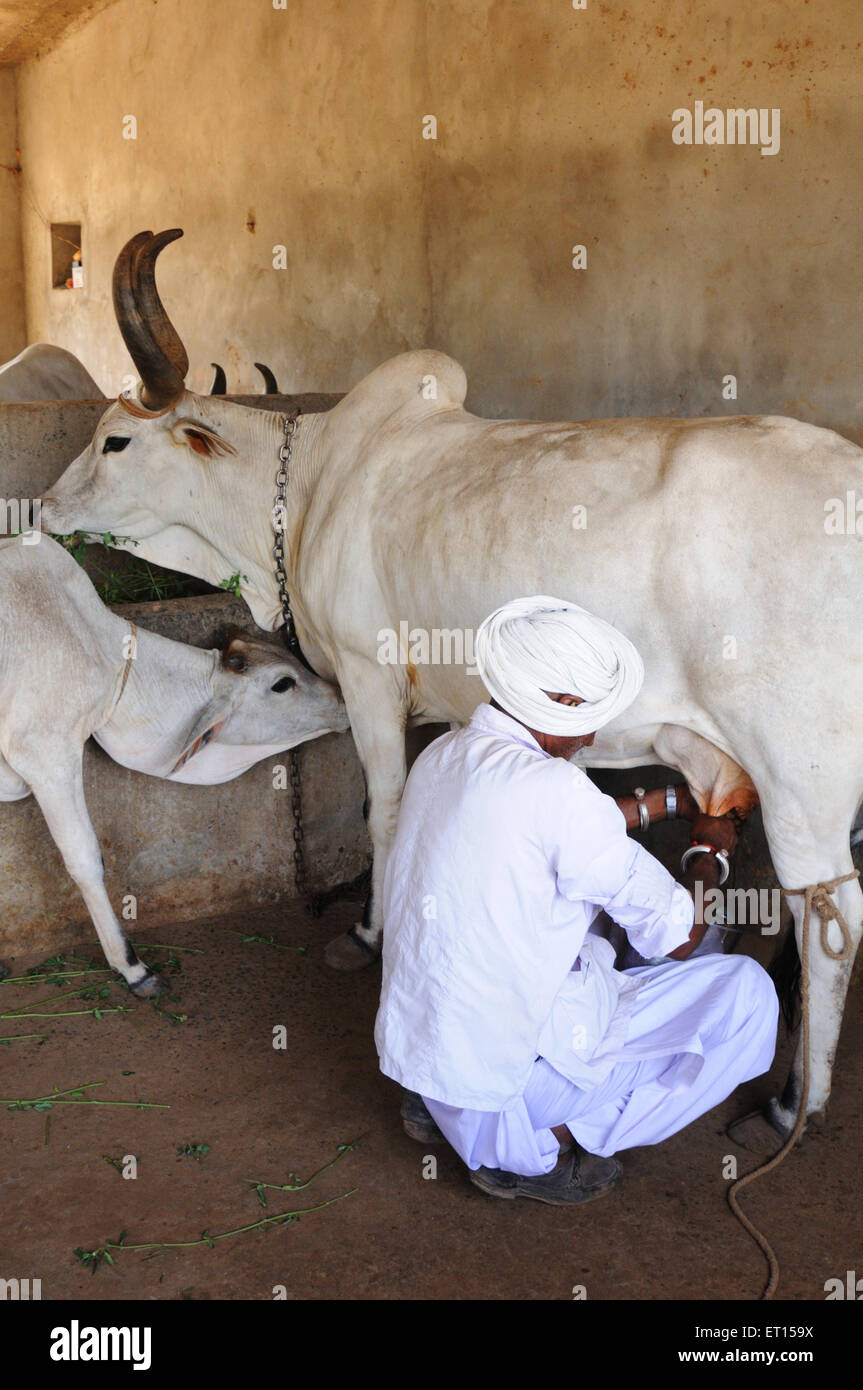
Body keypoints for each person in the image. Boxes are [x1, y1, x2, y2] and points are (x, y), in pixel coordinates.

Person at [374, 595, 778, 1205]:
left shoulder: (443, 753)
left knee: (584, 931)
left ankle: (441, 1113)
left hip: (429, 1058)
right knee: (745, 994)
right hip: (507, 1092)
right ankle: (546, 1144)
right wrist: (710, 850)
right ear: (560, 704)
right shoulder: (558, 791)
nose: (591, 735)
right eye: (588, 716)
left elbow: (548, 830)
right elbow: (680, 934)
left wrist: (664, 804)